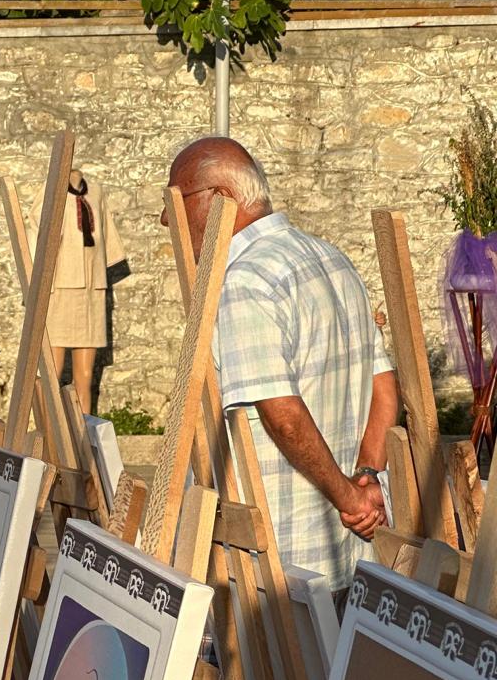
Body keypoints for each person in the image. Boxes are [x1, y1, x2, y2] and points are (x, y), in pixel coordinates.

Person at [164, 137, 399, 591]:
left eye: (177, 199)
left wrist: (351, 496)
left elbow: (283, 415)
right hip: (343, 551)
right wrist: (367, 479)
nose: (165, 218)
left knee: (274, 666)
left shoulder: (246, 279)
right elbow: (385, 389)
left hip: (279, 562)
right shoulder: (333, 259)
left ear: (221, 199)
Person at [45, 168, 126, 414]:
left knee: (85, 376)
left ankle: (84, 438)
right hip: (60, 289)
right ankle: (45, 435)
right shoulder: (50, 192)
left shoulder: (97, 193)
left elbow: (107, 238)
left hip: (92, 290)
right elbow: (37, 234)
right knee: (50, 373)